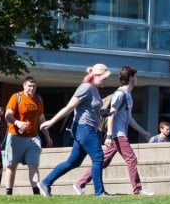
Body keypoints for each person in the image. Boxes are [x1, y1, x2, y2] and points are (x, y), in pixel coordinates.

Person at [76, 65, 152, 196]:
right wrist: (109, 136)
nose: (137, 78)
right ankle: (138, 189)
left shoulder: (128, 95)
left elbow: (129, 118)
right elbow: (111, 115)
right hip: (117, 134)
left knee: (103, 162)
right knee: (131, 159)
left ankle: (80, 183)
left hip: (118, 134)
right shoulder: (120, 94)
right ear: (132, 78)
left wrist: (143, 132)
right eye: (136, 76)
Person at [39, 63, 111, 196]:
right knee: (98, 157)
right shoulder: (85, 88)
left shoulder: (94, 89)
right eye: (104, 78)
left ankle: (45, 183)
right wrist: (52, 121)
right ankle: (99, 192)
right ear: (96, 75)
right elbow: (69, 107)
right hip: (84, 128)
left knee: (73, 162)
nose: (105, 80)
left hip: (88, 128)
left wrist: (102, 113)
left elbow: (89, 109)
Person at [2, 76, 46, 195]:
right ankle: (8, 192)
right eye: (29, 86)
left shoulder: (38, 100)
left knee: (34, 165)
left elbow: (41, 118)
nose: (32, 88)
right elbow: (8, 115)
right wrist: (17, 122)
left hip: (33, 137)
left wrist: (47, 136)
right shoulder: (17, 97)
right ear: (24, 86)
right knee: (11, 165)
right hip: (15, 136)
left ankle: (36, 192)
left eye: (34, 86)